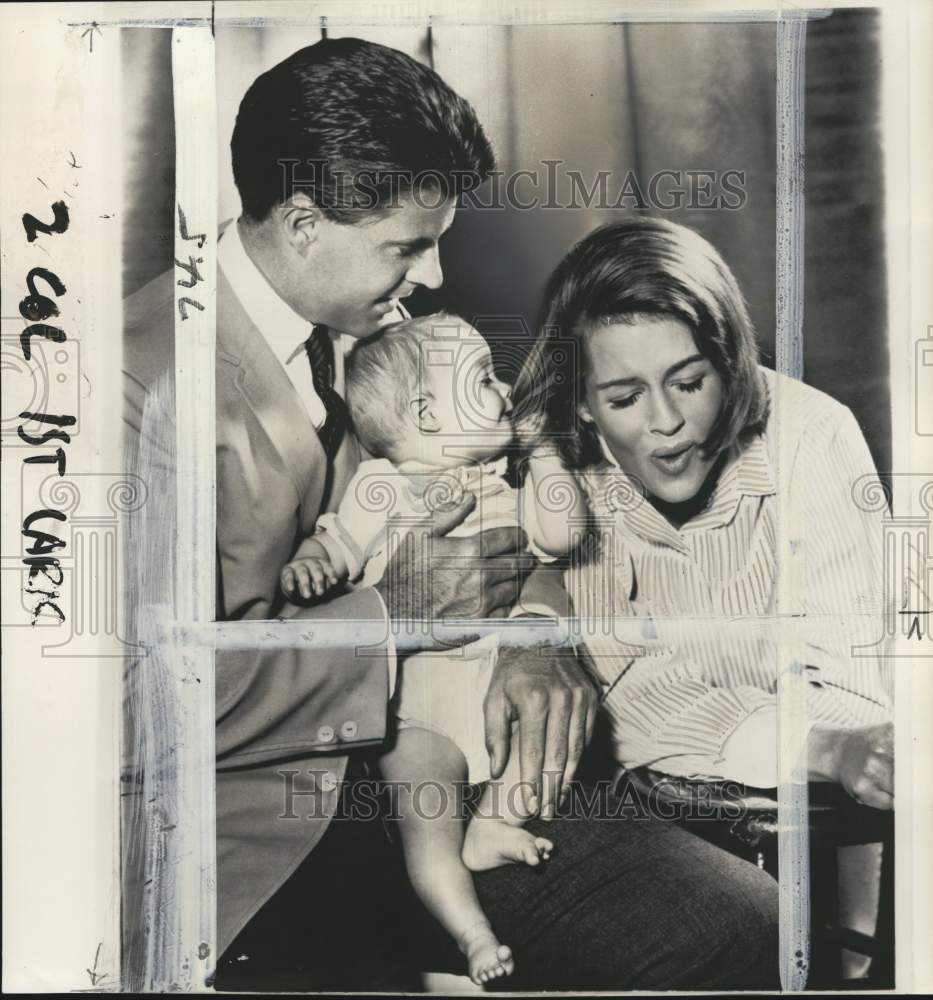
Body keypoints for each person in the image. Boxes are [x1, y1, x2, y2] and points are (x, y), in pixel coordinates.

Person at [123, 39, 779, 991]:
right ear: (304, 221)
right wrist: (396, 616)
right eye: (406, 246)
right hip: (242, 834)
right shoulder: (131, 381)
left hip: (445, 760)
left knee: (738, 924)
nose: (431, 277)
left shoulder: (396, 335)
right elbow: (133, 708)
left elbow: (509, 502)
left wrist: (535, 639)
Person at [514, 216, 893, 976]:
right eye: (623, 396)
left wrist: (838, 739)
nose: (666, 422)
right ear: (582, 404)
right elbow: (631, 701)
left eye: (689, 381)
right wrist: (818, 744)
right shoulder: (565, 476)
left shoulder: (812, 436)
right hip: (653, 823)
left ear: (730, 360)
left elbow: (854, 685)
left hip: (821, 841)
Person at [281, 313, 586, 984]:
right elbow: (336, 544)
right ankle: (469, 933)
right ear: (424, 411)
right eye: (481, 377)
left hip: (492, 685)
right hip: (412, 709)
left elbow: (561, 537)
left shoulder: (504, 484)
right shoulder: (383, 484)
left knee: (537, 746)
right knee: (426, 817)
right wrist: (314, 562)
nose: (503, 388)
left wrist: (542, 454)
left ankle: (497, 823)